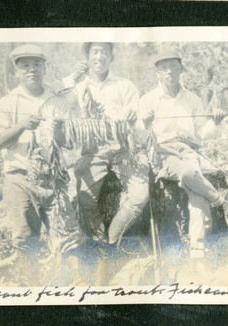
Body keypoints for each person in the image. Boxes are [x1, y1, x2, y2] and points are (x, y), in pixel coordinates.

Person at [0, 44, 83, 285]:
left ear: (44, 68)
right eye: (25, 65)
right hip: (19, 177)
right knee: (24, 237)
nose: (32, 70)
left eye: (36, 65)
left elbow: (70, 142)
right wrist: (22, 125)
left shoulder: (57, 100)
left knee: (66, 236)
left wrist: (61, 131)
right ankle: (28, 289)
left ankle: (72, 288)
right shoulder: (6, 103)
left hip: (53, 178)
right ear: (16, 71)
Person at [63, 42, 150, 284]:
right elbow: (55, 102)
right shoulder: (78, 86)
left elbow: (138, 122)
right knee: (83, 197)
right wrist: (72, 78)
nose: (99, 56)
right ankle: (98, 243)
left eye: (104, 52)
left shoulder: (125, 85)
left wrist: (134, 122)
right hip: (93, 151)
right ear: (88, 57)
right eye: (95, 52)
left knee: (140, 195)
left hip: (123, 150)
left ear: (112, 56)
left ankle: (112, 241)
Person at [139, 50, 228, 261]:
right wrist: (145, 125)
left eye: (174, 66)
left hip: (190, 151)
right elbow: (138, 137)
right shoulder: (147, 100)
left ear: (181, 69)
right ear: (158, 73)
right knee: (191, 174)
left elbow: (203, 134)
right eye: (164, 67)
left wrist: (215, 122)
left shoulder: (192, 99)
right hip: (165, 153)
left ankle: (197, 249)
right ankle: (218, 200)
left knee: (195, 187)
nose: (170, 71)